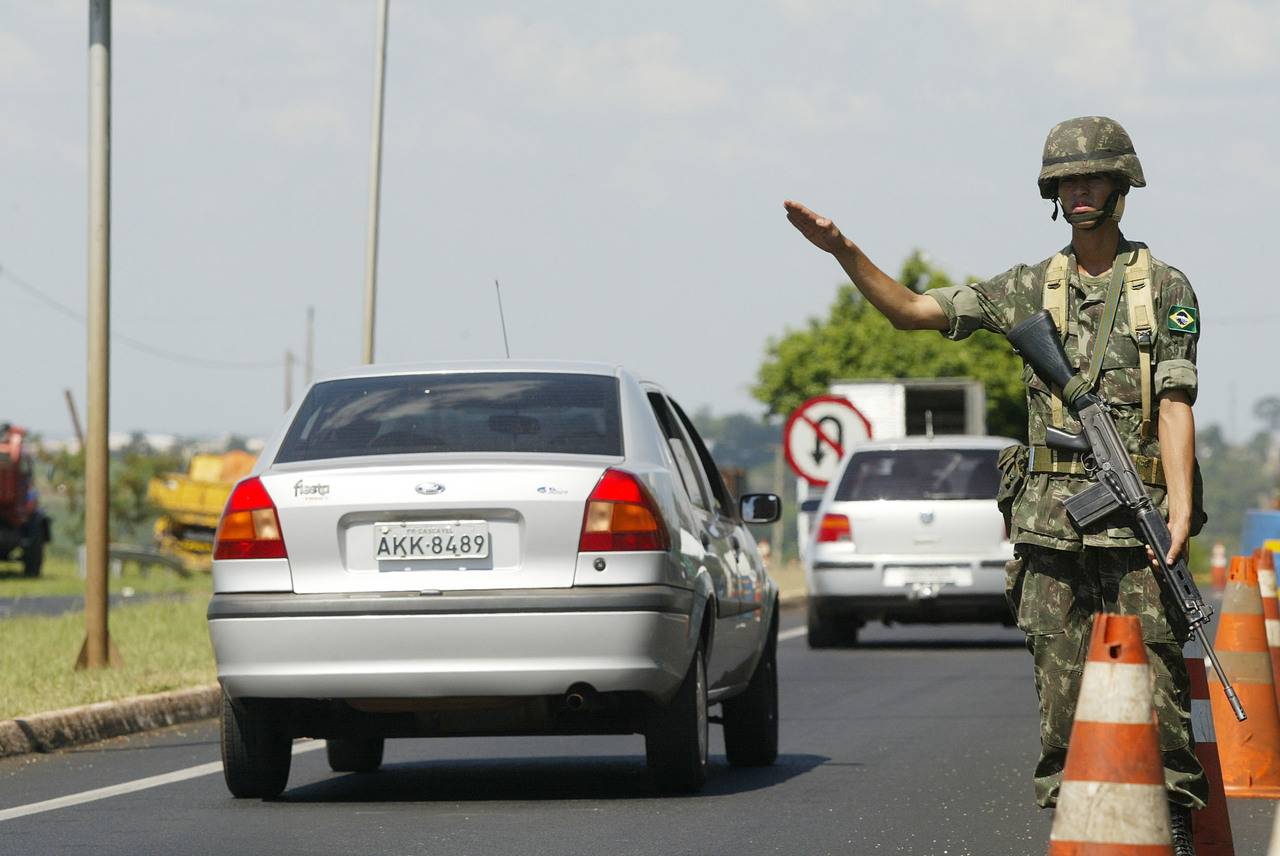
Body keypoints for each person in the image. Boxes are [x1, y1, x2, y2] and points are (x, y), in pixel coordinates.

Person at [784, 116, 1205, 853]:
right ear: (1051, 192)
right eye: (1067, 182)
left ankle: (1170, 832)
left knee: (1161, 694)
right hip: (1050, 529)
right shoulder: (1024, 290)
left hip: (1140, 530)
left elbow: (1174, 405)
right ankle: (1075, 831)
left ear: (1121, 186)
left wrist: (1177, 512)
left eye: (1093, 179)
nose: (1080, 192)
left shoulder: (1163, 289)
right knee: (1061, 699)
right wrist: (844, 251)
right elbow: (914, 312)